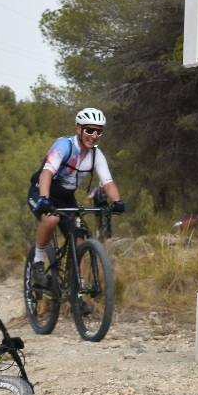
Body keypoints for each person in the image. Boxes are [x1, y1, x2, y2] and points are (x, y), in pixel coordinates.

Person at [29, 107, 125, 285]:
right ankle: (38, 262)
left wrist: (117, 201)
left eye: (99, 131)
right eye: (89, 130)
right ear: (78, 129)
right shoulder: (64, 146)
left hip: (66, 197)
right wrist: (44, 198)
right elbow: (46, 174)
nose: (94, 135)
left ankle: (77, 291)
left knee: (79, 240)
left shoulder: (96, 154)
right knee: (51, 220)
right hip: (42, 189)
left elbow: (107, 181)